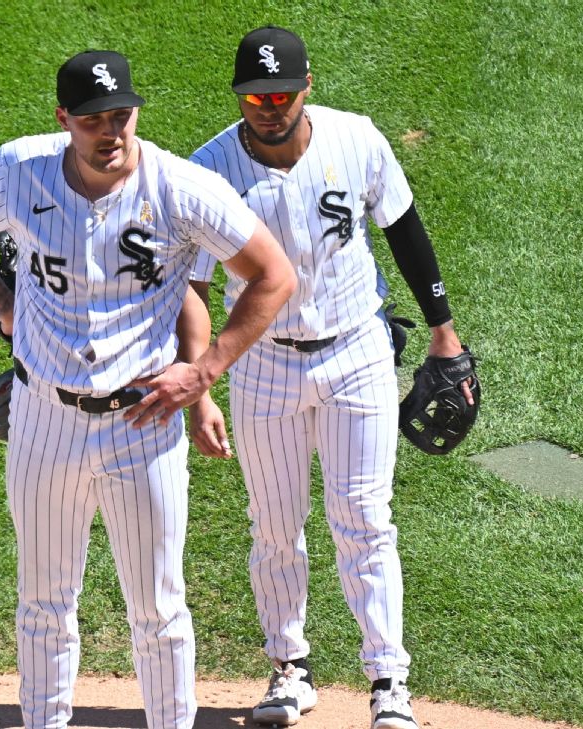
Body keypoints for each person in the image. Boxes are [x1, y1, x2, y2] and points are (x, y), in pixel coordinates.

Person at [0, 50, 296, 729]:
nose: (111, 131)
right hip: (43, 418)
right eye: (94, 119)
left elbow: (272, 274)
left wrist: (207, 369)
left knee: (158, 606)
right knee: (44, 600)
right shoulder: (17, 172)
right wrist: (3, 306)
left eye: (122, 114)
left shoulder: (180, 188)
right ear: (64, 118)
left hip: (143, 423)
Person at [186, 26, 474, 729]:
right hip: (263, 362)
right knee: (275, 525)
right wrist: (197, 384)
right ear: (240, 97)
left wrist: (444, 330)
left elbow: (405, 229)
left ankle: (388, 682)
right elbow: (192, 286)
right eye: (255, 95)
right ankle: (289, 670)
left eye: (281, 92)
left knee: (366, 521)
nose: (268, 106)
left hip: (357, 353)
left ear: (306, 86)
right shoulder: (209, 169)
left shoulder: (357, 140)